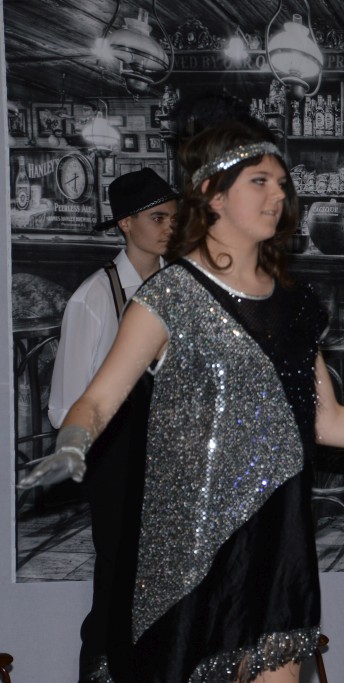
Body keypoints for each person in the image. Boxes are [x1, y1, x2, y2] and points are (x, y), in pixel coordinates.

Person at [20, 119, 344, 683]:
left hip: (278, 543)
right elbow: (96, 401)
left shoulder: (295, 306)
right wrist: (73, 444)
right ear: (213, 194)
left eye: (282, 183)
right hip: (189, 550)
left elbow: (331, 421)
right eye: (260, 181)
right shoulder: (172, 294)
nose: (278, 195)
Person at [46, 167, 180, 683]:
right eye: (157, 218)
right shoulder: (94, 297)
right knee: (118, 586)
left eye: (173, 218)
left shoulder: (182, 290)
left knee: (167, 587)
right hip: (117, 460)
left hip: (174, 455)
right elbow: (65, 405)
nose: (168, 227)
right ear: (125, 223)